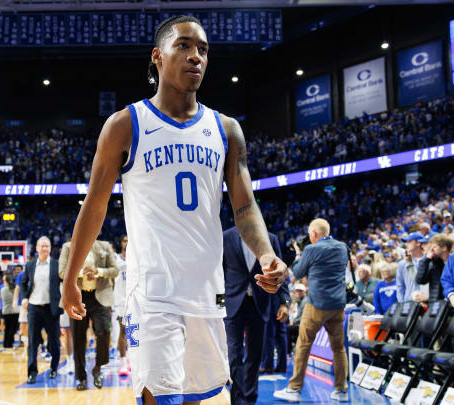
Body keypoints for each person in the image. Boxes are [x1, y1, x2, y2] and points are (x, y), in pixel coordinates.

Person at [61, 15, 288, 405]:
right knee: (159, 398)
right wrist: (69, 277)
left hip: (206, 289)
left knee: (192, 397)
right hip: (152, 290)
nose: (195, 56)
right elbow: (94, 208)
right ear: (158, 57)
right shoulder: (125, 124)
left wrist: (266, 253)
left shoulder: (226, 129)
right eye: (183, 46)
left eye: (202, 49)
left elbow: (245, 205)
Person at [274, 218, 349, 402]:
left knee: (303, 345)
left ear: (314, 234)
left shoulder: (311, 249)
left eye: (310, 233)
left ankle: (294, 389)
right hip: (338, 306)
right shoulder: (342, 247)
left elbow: (298, 273)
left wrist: (299, 254)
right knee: (339, 349)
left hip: (317, 305)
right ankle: (341, 391)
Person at [222, 226, 288, 404]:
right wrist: (217, 306)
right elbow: (218, 273)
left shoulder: (271, 239)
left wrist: (285, 302)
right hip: (232, 304)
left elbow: (281, 274)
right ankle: (237, 399)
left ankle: (249, 398)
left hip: (260, 304)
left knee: (255, 355)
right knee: (234, 354)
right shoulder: (225, 237)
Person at [58, 239, 118, 391]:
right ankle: (81, 378)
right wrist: (81, 273)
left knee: (104, 331)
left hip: (101, 297)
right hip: (78, 297)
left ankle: (98, 368)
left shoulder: (105, 246)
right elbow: (62, 272)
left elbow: (114, 270)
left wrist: (97, 272)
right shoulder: (68, 247)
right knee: (78, 338)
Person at [21, 236, 63, 384]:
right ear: (37, 248)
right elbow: (24, 282)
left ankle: (53, 368)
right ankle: (32, 372)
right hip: (34, 308)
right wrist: (24, 297)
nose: (44, 248)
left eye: (47, 246)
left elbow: (65, 282)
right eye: (42, 246)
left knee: (54, 341)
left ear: (50, 248)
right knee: (32, 341)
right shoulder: (30, 265)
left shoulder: (57, 265)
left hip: (51, 308)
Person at [113, 235, 130, 377]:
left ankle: (131, 359)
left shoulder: (138, 258)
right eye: (124, 240)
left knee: (136, 331)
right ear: (121, 243)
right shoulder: (115, 259)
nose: (127, 243)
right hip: (120, 300)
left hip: (135, 299)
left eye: (129, 240)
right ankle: (123, 362)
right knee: (123, 330)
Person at [417, 234, 452, 302]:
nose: (431, 250)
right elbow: (420, 280)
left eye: (434, 247)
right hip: (435, 304)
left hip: (451, 303)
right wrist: (426, 259)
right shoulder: (433, 263)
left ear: (444, 248)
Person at [395, 232, 427, 303]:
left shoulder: (429, 260)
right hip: (409, 302)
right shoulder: (402, 263)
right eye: (406, 242)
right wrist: (401, 303)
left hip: (426, 301)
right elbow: (400, 286)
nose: (406, 244)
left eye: (409, 242)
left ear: (418, 243)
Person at [0, 272, 20, 350]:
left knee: (8, 328)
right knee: (13, 328)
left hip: (6, 311)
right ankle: (9, 344)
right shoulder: (15, 289)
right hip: (14, 311)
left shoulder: (2, 289)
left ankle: (6, 344)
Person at [11, 264, 29, 347]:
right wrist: (14, 301)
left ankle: (31, 340)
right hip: (24, 303)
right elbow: (17, 288)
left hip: (36, 302)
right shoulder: (22, 274)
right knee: (23, 324)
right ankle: (27, 340)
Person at [287, 284, 307, 354]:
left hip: (302, 324)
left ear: (304, 292)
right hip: (298, 323)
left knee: (287, 329)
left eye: (300, 291)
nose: (298, 293)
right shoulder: (298, 301)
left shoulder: (305, 301)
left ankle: (287, 351)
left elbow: (304, 317)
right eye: (297, 291)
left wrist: (294, 322)